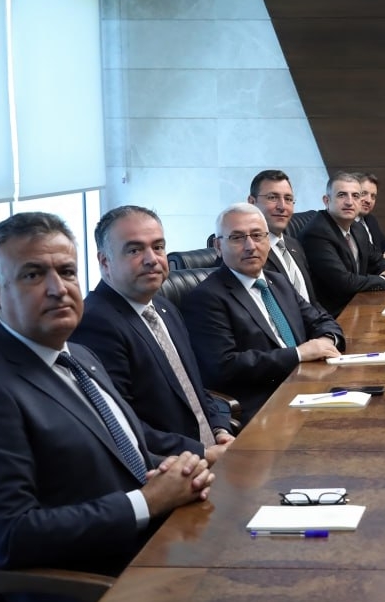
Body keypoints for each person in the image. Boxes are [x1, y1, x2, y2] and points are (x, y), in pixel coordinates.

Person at [0, 213, 213, 602]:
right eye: (33, 275)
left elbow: (124, 454)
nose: (58, 288)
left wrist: (179, 469)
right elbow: (10, 535)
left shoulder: (79, 356)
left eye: (67, 271)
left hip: (152, 556)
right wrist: (147, 502)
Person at [74, 206, 234, 453]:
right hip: (171, 466)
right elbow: (120, 425)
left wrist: (219, 429)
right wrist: (202, 453)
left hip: (212, 451)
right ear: (105, 261)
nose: (152, 259)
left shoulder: (163, 307)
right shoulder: (95, 323)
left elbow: (193, 387)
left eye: (158, 247)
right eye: (135, 250)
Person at [183, 204, 345, 420]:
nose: (250, 246)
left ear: (268, 240)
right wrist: (298, 354)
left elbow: (321, 319)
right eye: (237, 238)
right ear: (218, 246)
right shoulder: (206, 297)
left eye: (258, 235)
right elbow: (225, 367)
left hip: (308, 383)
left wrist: (326, 341)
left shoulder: (277, 281)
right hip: (265, 404)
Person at [301, 172, 385, 316]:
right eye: (342, 195)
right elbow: (343, 282)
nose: (349, 202)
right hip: (333, 315)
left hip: (358, 305)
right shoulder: (317, 232)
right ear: (326, 201)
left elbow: (378, 261)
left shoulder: (357, 228)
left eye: (355, 196)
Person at [246, 169, 317, 304]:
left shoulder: (294, 245)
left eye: (288, 199)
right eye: (272, 197)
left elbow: (313, 302)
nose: (282, 206)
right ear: (252, 202)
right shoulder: (245, 253)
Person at [354, 171, 385, 263]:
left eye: (373, 196)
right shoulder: (345, 223)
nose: (369, 200)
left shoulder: (370, 219)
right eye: (363, 193)